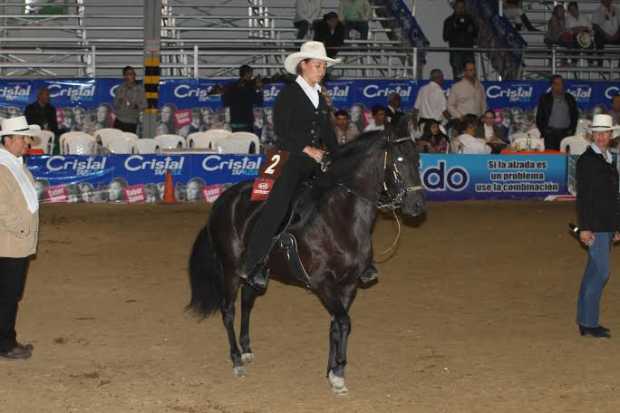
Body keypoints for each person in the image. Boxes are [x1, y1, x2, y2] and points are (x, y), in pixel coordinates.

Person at [242, 41, 342, 291]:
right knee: (276, 208)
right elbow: (282, 131)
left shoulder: (320, 97)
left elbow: (327, 132)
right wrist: (308, 149)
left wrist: (340, 157)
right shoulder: (288, 94)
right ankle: (252, 264)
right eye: (318, 65)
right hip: (287, 157)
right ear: (303, 66)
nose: (322, 70)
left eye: (324, 66)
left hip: (314, 160)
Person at [575, 114, 620, 338]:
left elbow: (613, 195)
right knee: (601, 272)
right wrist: (584, 227)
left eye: (605, 133)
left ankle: (585, 321)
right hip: (595, 224)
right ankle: (589, 322)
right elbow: (584, 196)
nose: (601, 137)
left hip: (606, 223)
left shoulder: (608, 158)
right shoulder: (587, 160)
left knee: (594, 271)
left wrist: (616, 226)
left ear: (611, 135)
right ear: (592, 135)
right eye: (598, 133)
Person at [0, 116, 41, 360]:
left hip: (15, 241)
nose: (27, 142)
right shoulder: (3, 167)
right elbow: (2, 207)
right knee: (8, 294)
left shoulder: (15, 164)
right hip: (10, 243)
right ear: (8, 140)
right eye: (23, 138)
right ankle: (6, 344)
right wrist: (22, 229)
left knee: (8, 293)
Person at [535, 75, 578, 151]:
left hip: (566, 134)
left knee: (565, 157)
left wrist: (572, 130)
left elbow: (575, 115)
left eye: (561, 83)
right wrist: (544, 132)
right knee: (551, 156)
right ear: (552, 85)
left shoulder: (570, 98)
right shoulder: (545, 99)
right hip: (550, 135)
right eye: (557, 83)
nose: (560, 86)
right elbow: (539, 117)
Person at [222, 65, 263, 133]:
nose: (252, 77)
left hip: (234, 124)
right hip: (246, 123)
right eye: (251, 74)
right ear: (247, 74)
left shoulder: (230, 86)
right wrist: (259, 89)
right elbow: (258, 102)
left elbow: (225, 103)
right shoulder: (250, 88)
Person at [443, 0, 478, 79]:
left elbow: (476, 34)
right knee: (458, 76)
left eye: (462, 7)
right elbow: (445, 37)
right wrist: (454, 29)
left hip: (468, 52)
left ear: (465, 8)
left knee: (471, 76)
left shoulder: (470, 19)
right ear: (454, 8)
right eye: (458, 7)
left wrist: (471, 29)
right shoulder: (449, 21)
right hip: (456, 52)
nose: (460, 9)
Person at [24, 87, 60, 151]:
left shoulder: (51, 109)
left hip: (49, 133)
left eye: (48, 95)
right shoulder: (30, 108)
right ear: (39, 96)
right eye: (46, 95)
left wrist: (50, 129)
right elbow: (29, 123)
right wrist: (41, 129)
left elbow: (54, 124)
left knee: (60, 133)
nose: (48, 97)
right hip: (35, 133)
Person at [113, 66, 146, 133]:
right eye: (129, 74)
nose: (132, 76)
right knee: (117, 139)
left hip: (131, 122)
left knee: (130, 139)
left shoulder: (140, 89)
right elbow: (115, 105)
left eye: (133, 74)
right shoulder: (120, 88)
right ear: (124, 76)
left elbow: (144, 105)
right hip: (119, 121)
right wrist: (120, 100)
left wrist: (136, 105)